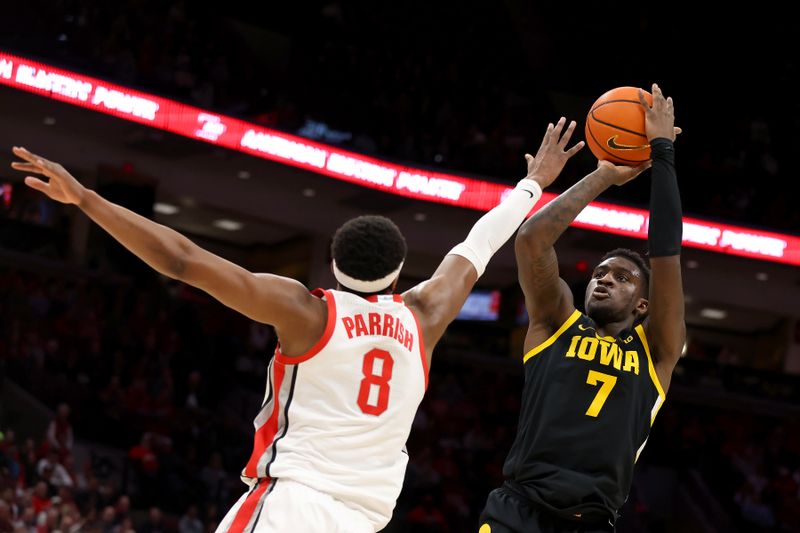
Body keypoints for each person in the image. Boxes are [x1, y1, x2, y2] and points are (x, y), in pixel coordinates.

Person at [11, 117, 584, 533]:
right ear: (398, 272)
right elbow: (479, 243)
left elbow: (182, 260)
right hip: (366, 520)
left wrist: (85, 198)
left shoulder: (307, 311)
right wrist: (533, 183)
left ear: (331, 267)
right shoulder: (425, 315)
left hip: (291, 509)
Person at [479, 83, 684, 532]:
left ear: (645, 304)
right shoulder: (556, 323)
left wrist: (663, 153)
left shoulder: (657, 352)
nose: (605, 277)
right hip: (517, 510)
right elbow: (532, 240)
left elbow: (666, 250)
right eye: (600, 273)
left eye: (622, 277)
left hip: (589, 522)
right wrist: (604, 175)